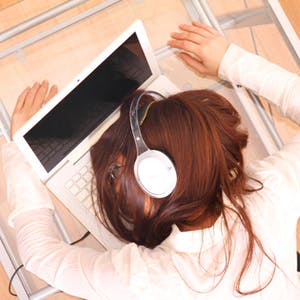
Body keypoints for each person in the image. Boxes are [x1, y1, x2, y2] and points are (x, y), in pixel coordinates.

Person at [2, 21, 300, 299]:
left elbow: (40, 255)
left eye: (118, 170)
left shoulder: (145, 278)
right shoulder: (271, 196)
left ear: (154, 180)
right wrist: (230, 60)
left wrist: (19, 152)